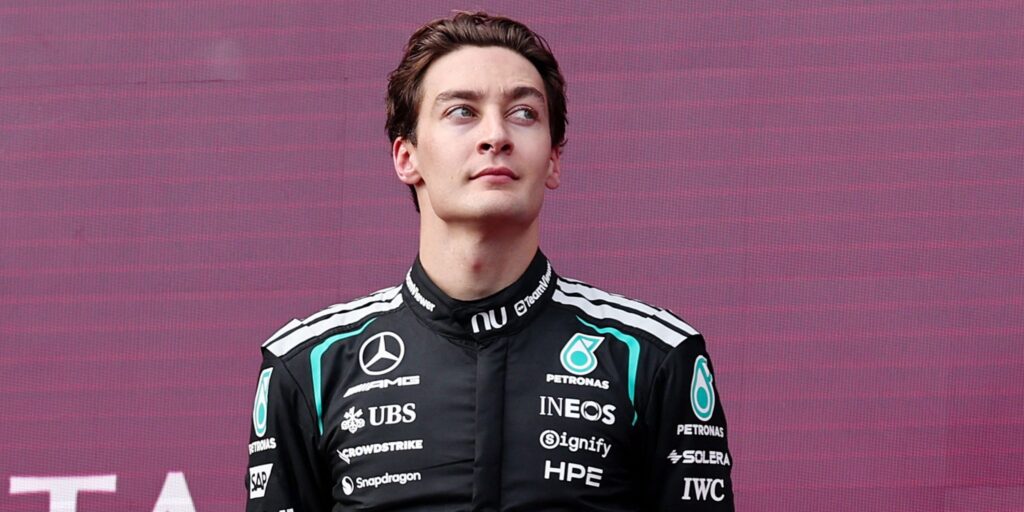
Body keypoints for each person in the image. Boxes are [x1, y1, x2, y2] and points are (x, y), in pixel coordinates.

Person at [246, 11, 733, 511]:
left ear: (553, 160)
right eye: (462, 111)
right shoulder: (309, 366)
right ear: (406, 157)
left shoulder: (653, 356)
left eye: (524, 113)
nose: (495, 136)